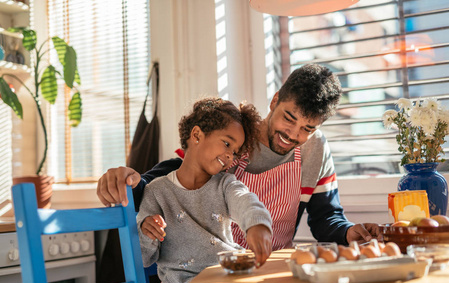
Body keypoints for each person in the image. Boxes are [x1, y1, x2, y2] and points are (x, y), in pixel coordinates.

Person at [97, 63, 380, 250]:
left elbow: (326, 218)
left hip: (272, 267)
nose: (293, 135)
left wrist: (348, 232)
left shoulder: (315, 149)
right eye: (288, 118)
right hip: (217, 266)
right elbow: (179, 175)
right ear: (275, 100)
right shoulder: (234, 134)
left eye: (307, 128)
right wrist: (132, 181)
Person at [137, 98, 272, 283]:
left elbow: (245, 200)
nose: (230, 156)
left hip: (228, 277)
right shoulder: (156, 191)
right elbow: (144, 258)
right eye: (226, 143)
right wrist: (147, 232)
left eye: (235, 152)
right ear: (197, 135)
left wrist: (257, 224)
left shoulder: (226, 184)